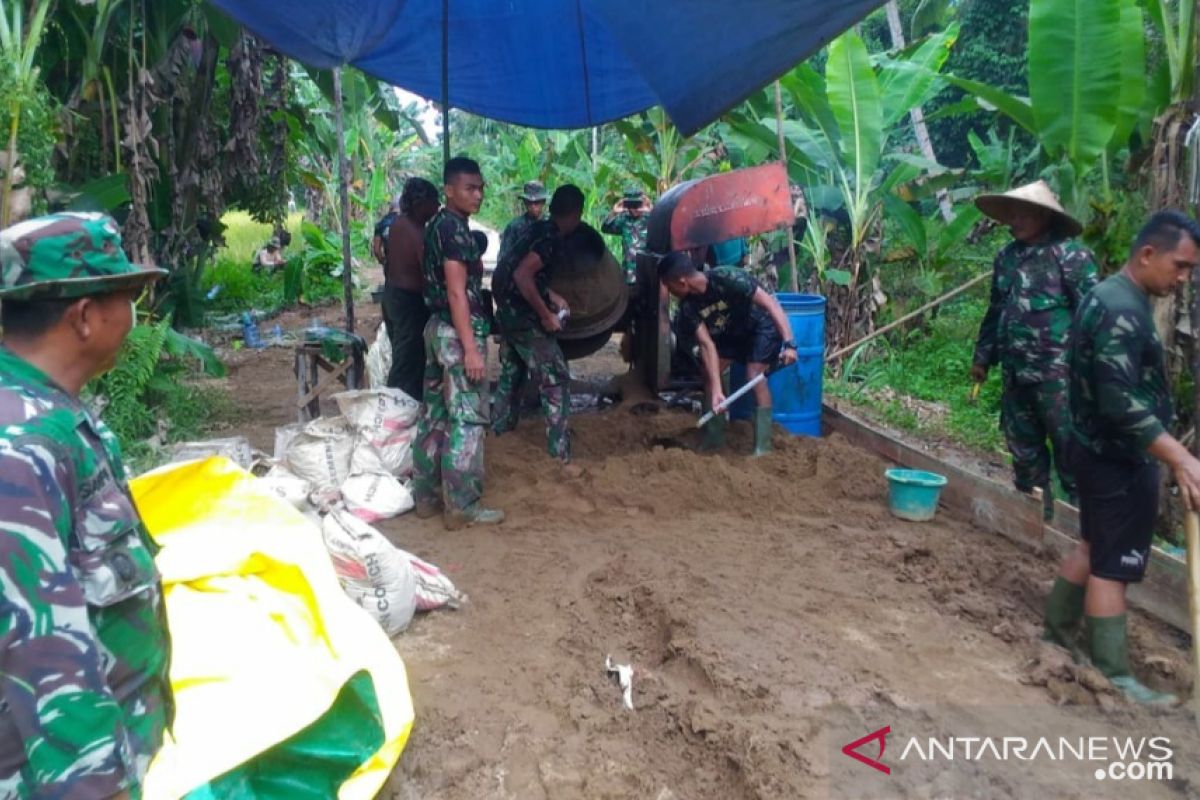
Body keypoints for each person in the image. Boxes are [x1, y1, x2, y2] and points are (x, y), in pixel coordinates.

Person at [0, 212, 174, 797]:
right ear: (83, 317)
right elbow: (45, 659)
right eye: (126, 296)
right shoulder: (22, 453)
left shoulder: (47, 414)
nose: (133, 315)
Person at [1043, 210, 1200, 705]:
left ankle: (1057, 634)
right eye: (1179, 266)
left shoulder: (1108, 294)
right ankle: (1112, 672)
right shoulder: (1122, 311)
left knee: (1092, 546)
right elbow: (1118, 401)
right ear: (1148, 254)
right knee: (1113, 565)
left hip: (1093, 450)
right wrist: (1178, 455)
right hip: (1117, 459)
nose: (1183, 279)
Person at [971, 180, 1099, 513]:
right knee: (1024, 452)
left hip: (1058, 377)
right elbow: (997, 308)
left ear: (1043, 216)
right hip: (1016, 374)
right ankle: (1034, 520)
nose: (1014, 219)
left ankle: (1080, 527)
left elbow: (1092, 315)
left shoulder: (1071, 256)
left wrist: (1094, 372)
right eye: (1011, 213)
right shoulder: (1007, 257)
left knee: (1071, 451)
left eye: (1022, 213)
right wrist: (983, 356)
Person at [411, 157, 504, 530]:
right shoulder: (454, 230)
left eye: (481, 187)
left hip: (436, 329)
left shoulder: (437, 225)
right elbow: (456, 290)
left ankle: (426, 498)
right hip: (455, 332)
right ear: (449, 190)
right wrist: (470, 348)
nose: (478, 194)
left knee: (434, 415)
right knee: (467, 418)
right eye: (470, 188)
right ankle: (462, 506)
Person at [660, 252, 798, 456]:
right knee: (709, 375)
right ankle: (714, 438)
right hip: (732, 332)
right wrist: (716, 390)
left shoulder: (728, 278)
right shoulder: (688, 308)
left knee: (754, 376)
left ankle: (763, 447)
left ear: (681, 282)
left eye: (670, 288)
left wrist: (790, 344)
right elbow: (707, 345)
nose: (670, 293)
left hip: (761, 324)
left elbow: (771, 304)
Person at [491, 185, 584, 463]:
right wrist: (545, 314)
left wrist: (550, 295)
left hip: (507, 310)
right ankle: (559, 451)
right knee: (556, 377)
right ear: (576, 214)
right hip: (522, 315)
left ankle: (500, 430)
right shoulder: (550, 237)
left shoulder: (533, 229)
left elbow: (518, 271)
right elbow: (522, 275)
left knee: (513, 369)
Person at [383, 178, 440, 400]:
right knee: (406, 360)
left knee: (407, 355)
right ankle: (395, 408)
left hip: (393, 296)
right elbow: (426, 268)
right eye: (433, 202)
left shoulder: (398, 223)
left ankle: (406, 405)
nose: (436, 207)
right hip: (408, 301)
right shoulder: (415, 231)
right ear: (420, 203)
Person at [601, 188, 652, 285]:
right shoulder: (624, 220)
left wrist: (651, 210)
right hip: (628, 274)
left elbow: (664, 229)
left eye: (637, 203)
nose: (634, 208)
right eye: (631, 204)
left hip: (647, 274)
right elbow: (605, 228)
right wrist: (614, 212)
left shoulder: (650, 219)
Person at [498, 180, 548, 263]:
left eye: (536, 203)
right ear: (525, 202)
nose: (533, 206)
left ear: (543, 202)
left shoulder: (550, 225)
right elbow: (504, 256)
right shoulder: (514, 226)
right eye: (529, 203)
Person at [372, 197, 403, 265]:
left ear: (390, 207)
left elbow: (377, 250)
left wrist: (383, 261)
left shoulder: (381, 224)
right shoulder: (408, 223)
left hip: (390, 263)